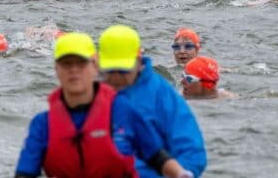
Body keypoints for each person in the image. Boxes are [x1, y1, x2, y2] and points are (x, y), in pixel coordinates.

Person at [14, 32, 193, 178]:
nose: (74, 70)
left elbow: (157, 157)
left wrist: (181, 174)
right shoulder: (43, 125)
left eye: (80, 63)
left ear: (94, 65)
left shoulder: (123, 111)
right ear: (57, 69)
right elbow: (24, 173)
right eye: (66, 64)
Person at [96, 25, 207, 177]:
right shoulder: (88, 95)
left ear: (139, 59)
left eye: (123, 70)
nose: (116, 77)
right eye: (110, 70)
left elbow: (192, 153)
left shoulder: (162, 95)